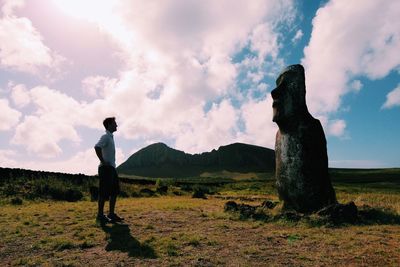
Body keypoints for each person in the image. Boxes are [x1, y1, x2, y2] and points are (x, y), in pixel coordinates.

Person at [94, 117, 124, 223]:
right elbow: (97, 147)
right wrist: (103, 161)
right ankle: (100, 215)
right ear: (109, 124)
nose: (116, 125)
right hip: (106, 168)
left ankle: (111, 214)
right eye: (115, 123)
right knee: (103, 192)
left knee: (114, 191)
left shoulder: (110, 137)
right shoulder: (106, 136)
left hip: (111, 167)